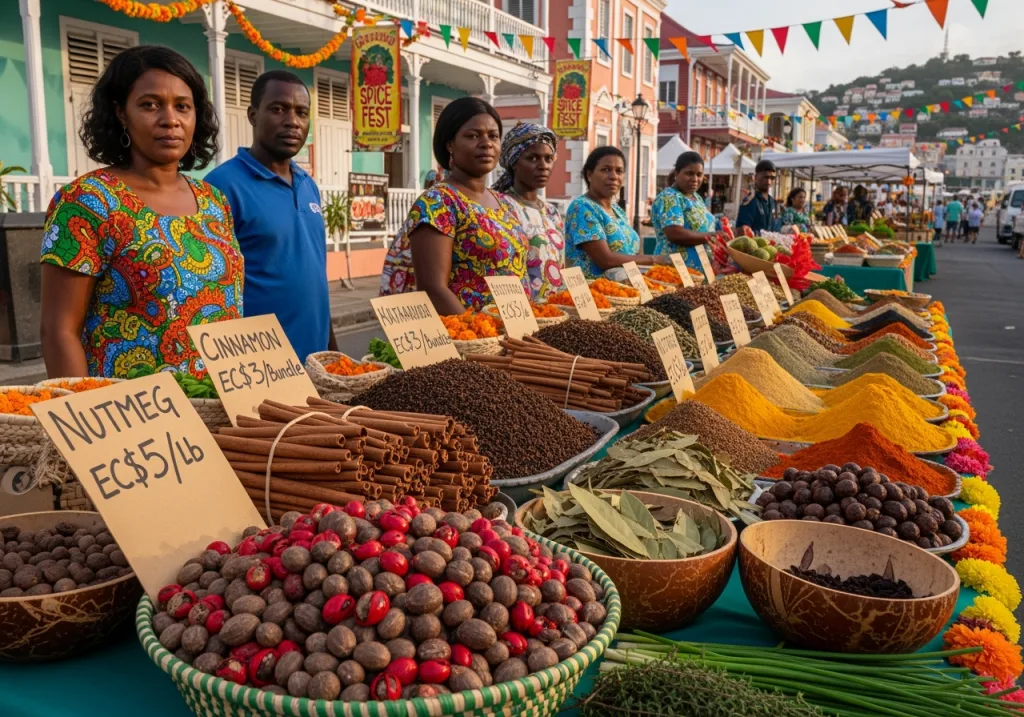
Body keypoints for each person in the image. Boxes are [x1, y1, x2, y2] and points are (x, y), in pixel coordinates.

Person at [39, 45, 242, 379]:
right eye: (150, 105)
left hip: (224, 407)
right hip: (135, 417)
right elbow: (58, 332)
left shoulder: (214, 201)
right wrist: (89, 420)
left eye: (183, 107)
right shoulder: (89, 202)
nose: (170, 120)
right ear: (121, 113)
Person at [206, 70, 335, 363]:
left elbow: (315, 277)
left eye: (302, 113)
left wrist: (332, 350)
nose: (292, 121)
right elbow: (211, 293)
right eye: (278, 109)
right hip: (260, 364)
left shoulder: (307, 184)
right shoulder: (222, 187)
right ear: (253, 115)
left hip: (315, 360)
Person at [379, 97, 528, 314]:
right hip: (470, 338)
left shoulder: (504, 203)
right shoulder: (439, 202)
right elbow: (433, 288)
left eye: (493, 136)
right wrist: (479, 333)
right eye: (472, 136)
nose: (486, 143)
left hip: (515, 333)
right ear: (450, 144)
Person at [563, 146, 668, 279]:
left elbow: (630, 254)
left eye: (619, 171)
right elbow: (605, 260)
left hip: (625, 290)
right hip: (596, 292)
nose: (613, 176)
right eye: (606, 170)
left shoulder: (617, 210)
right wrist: (654, 259)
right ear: (589, 175)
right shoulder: (582, 207)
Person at [492, 122, 565, 299]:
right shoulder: (502, 206)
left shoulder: (552, 212)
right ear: (514, 162)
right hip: (521, 311)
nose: (543, 166)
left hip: (555, 311)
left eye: (548, 159)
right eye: (533, 158)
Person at [650, 151, 716, 272]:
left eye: (699, 174)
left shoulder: (696, 198)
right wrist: (711, 236)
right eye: (689, 173)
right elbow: (675, 233)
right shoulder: (669, 197)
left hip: (700, 270)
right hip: (676, 270)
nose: (695, 179)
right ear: (677, 173)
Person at [735, 160, 777, 234]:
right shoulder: (750, 200)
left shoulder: (772, 201)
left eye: (772, 178)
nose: (769, 181)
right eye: (765, 177)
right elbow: (742, 231)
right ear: (755, 177)